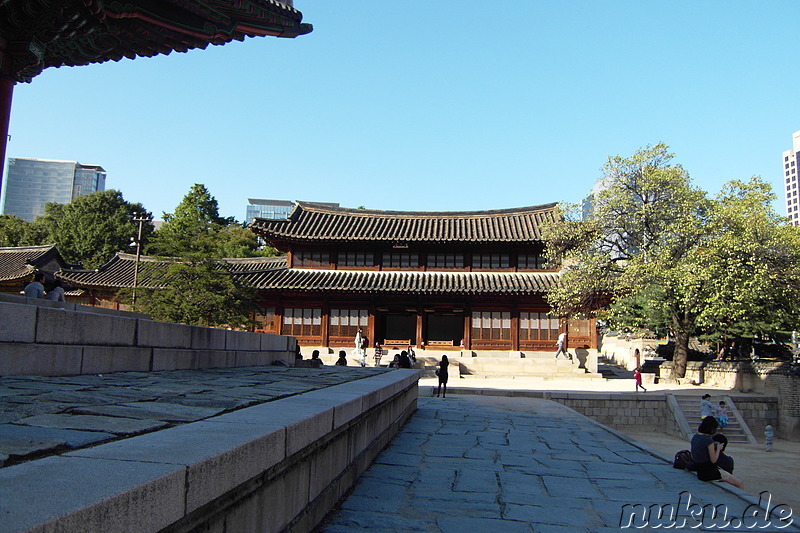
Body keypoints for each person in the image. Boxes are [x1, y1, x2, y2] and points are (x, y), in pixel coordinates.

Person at [690, 416, 744, 489]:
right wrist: (718, 449)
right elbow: (714, 460)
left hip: (699, 470)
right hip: (709, 472)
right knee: (739, 483)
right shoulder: (708, 440)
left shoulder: (695, 437)